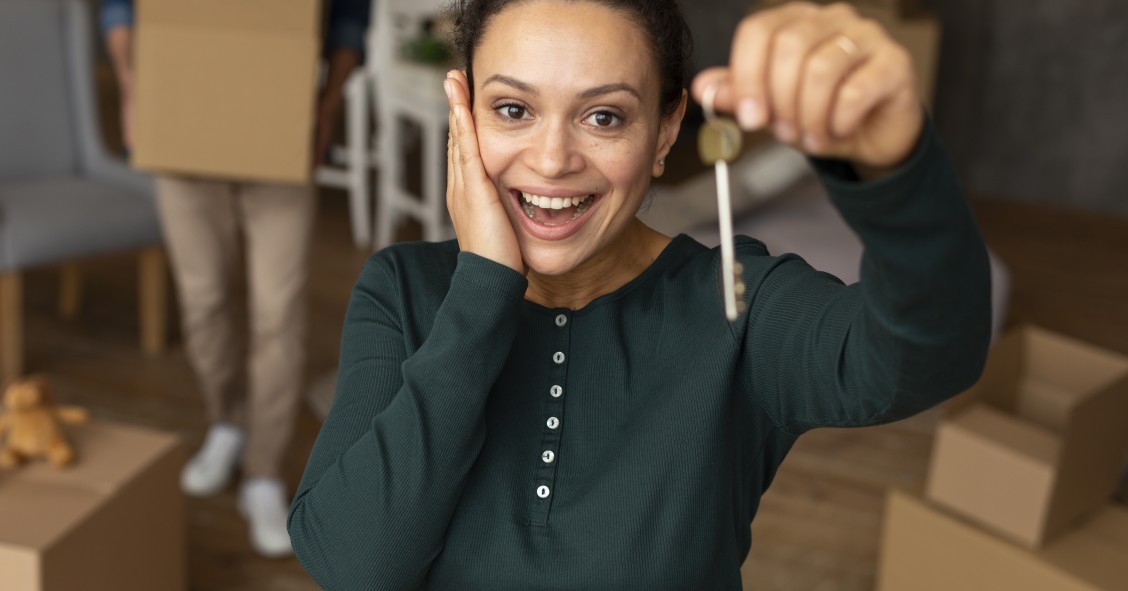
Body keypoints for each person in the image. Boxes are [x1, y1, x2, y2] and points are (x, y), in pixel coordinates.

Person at [289, 0, 992, 587]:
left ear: (665, 131)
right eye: (512, 108)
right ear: (464, 113)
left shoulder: (738, 307)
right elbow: (350, 565)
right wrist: (482, 288)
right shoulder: (402, 288)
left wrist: (899, 168)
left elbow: (930, 356)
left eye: (604, 117)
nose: (552, 160)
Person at [100, 0, 371, 558]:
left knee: (279, 314)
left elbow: (349, 17)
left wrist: (327, 105)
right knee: (203, 301)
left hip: (280, 139)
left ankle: (262, 473)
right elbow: (119, 6)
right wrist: (131, 87)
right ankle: (226, 422)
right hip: (181, 135)